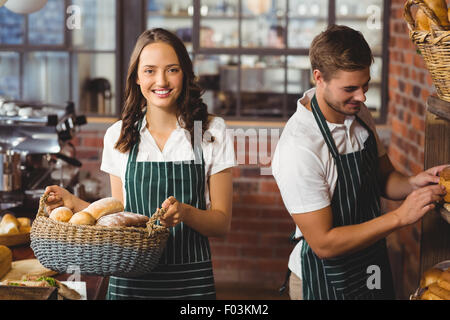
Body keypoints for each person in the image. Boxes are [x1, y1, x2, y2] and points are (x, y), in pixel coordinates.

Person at [43, 28, 236, 300]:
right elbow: (117, 218)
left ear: (185, 73)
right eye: (149, 71)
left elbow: (222, 225)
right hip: (130, 282)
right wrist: (74, 205)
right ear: (136, 76)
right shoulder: (120, 135)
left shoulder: (207, 131)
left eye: (172, 70)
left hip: (190, 283)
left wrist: (186, 213)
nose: (161, 81)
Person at [272, 25, 448, 300]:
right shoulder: (299, 146)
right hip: (325, 278)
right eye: (350, 88)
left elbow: (383, 177)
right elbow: (324, 243)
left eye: (365, 85)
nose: (362, 97)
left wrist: (414, 183)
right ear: (319, 78)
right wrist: (400, 217)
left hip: (371, 266)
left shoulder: (357, 112)